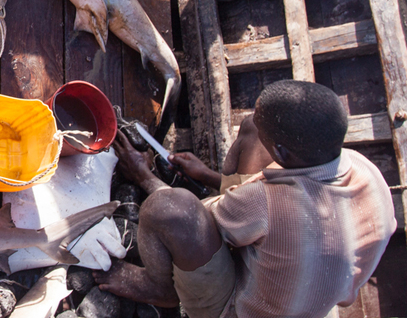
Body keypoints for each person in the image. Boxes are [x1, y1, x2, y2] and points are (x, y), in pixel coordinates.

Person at [94, 80, 396, 318]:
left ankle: (160, 288)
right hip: (307, 294)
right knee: (255, 125)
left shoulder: (267, 204)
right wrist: (207, 176)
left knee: (167, 209)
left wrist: (143, 175)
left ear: (281, 154)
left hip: (242, 309)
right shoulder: (368, 172)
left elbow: (191, 217)